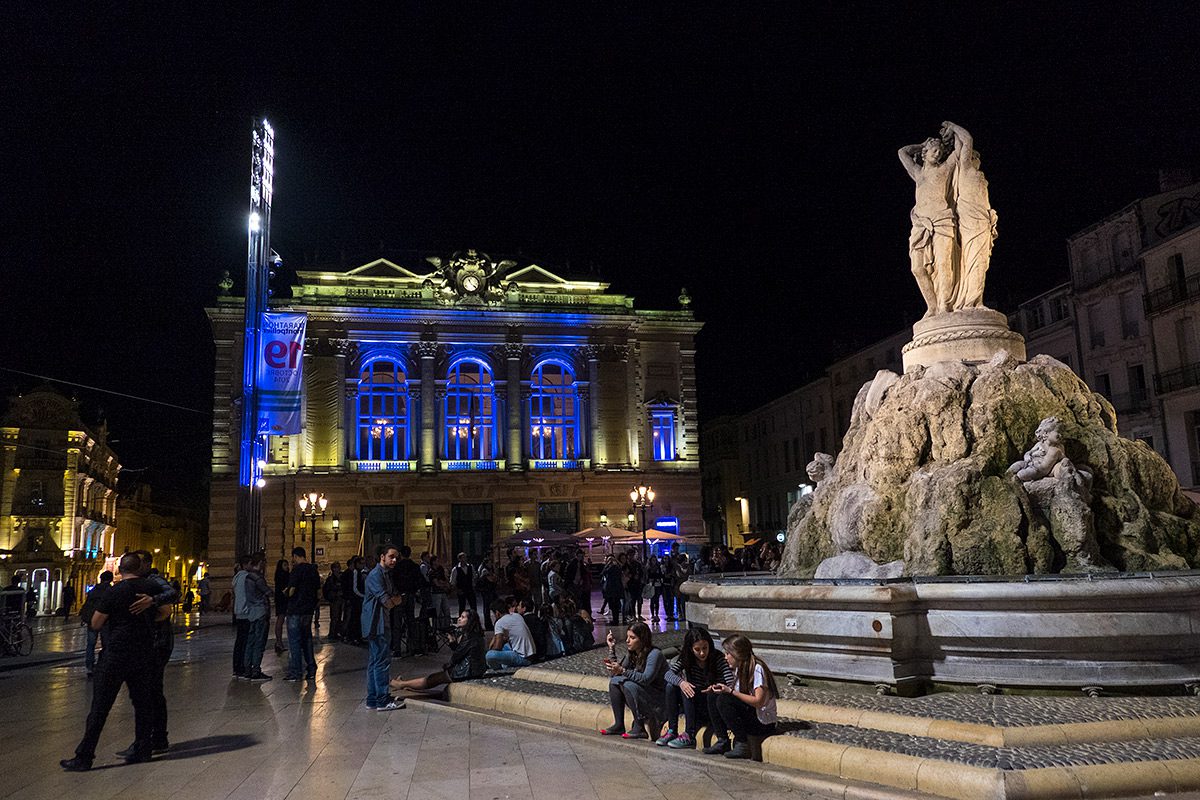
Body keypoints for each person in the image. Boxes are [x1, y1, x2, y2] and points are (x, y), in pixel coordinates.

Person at [60, 553, 169, 771]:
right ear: (140, 568)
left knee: (100, 707)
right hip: (143, 653)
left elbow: (96, 622)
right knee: (143, 704)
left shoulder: (114, 591)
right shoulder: (150, 588)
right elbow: (165, 613)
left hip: (116, 653)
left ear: (120, 569)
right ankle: (143, 749)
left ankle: (84, 756)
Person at [122, 550, 178, 757]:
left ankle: (156, 738)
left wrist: (152, 600)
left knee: (151, 690)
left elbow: (173, 594)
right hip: (150, 643)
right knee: (152, 690)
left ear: (145, 564)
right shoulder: (140, 583)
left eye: (138, 563)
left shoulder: (154, 580)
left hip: (158, 643)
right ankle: (157, 737)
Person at [899, 131, 959, 317]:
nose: (938, 154)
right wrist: (922, 144)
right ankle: (932, 306)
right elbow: (902, 152)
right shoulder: (918, 174)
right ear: (925, 153)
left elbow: (963, 147)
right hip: (921, 225)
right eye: (934, 150)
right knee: (917, 268)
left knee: (943, 263)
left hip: (942, 220)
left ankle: (943, 306)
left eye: (940, 152)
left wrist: (953, 130)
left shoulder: (944, 169)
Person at [703, 634, 780, 759]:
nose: (725, 657)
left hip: (763, 723)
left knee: (725, 699)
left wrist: (731, 691)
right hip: (752, 715)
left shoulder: (757, 669)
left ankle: (742, 743)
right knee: (714, 696)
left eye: (728, 654)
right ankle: (722, 740)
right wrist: (721, 689)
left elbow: (758, 701)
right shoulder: (740, 669)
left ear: (737, 654)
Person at [656, 628, 733, 749]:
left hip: (710, 702)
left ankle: (689, 734)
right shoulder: (687, 659)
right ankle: (672, 730)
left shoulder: (717, 658)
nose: (702, 653)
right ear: (691, 649)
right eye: (697, 650)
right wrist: (681, 682)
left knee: (688, 690)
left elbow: (730, 682)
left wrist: (717, 687)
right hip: (693, 701)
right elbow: (668, 674)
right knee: (673, 687)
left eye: (705, 648)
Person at [390, 608, 487, 694]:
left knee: (432, 679)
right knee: (434, 678)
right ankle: (405, 684)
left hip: (467, 671)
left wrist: (448, 665)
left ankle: (401, 684)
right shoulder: (473, 634)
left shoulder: (469, 636)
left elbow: (457, 655)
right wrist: (452, 642)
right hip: (472, 669)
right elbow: (461, 651)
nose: (459, 619)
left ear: (470, 621)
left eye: (463, 617)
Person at [599, 621, 666, 739]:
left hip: (658, 699)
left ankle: (639, 727)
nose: (627, 641)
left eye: (632, 637)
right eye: (627, 637)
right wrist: (611, 649)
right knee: (615, 682)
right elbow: (617, 674)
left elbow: (646, 679)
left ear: (642, 639)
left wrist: (623, 671)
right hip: (643, 692)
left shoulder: (655, 654)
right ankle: (619, 724)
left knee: (629, 685)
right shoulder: (632, 653)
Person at [361, 544, 405, 711]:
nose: (394, 560)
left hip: (379, 621)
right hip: (377, 623)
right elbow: (388, 601)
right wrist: (393, 601)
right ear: (382, 557)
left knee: (375, 661)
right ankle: (382, 700)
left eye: (396, 557)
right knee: (381, 661)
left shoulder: (386, 574)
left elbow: (395, 597)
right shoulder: (375, 575)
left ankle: (372, 699)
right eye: (391, 556)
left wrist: (394, 600)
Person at [284, 547, 320, 681]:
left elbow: (292, 590)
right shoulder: (313, 570)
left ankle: (296, 672)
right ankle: (311, 669)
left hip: (296, 609)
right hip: (308, 610)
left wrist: (286, 593)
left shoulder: (297, 570)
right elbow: (318, 591)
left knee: (294, 641)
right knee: (307, 639)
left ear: (295, 556)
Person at [241, 554, 272, 681]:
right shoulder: (258, 578)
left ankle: (247, 669)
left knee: (250, 641)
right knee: (259, 642)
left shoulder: (247, 577)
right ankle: (256, 670)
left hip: (251, 612)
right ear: (260, 563)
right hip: (260, 611)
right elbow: (268, 592)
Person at [391, 545, 426, 656]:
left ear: (401, 554)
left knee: (397, 623)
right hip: (411, 595)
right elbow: (421, 581)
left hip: (399, 596)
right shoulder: (414, 566)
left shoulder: (397, 566)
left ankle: (397, 650)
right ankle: (414, 648)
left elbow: (392, 580)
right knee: (411, 622)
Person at [485, 596, 535, 670]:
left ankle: (497, 669)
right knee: (505, 646)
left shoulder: (500, 622)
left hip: (522, 658)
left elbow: (497, 647)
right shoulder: (517, 616)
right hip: (531, 655)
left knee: (489, 655)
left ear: (497, 613)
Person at [80, 571, 114, 677]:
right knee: (107, 643)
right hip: (106, 620)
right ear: (111, 579)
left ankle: (89, 666)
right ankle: (105, 665)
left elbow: (87, 604)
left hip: (92, 619)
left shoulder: (94, 590)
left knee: (90, 644)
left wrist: (84, 617)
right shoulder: (111, 591)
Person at [232, 556, 252, 678]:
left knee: (239, 641)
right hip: (246, 612)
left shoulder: (236, 577)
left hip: (238, 612)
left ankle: (236, 668)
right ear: (246, 565)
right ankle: (244, 667)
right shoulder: (246, 577)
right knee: (246, 641)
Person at [600, 555, 625, 625]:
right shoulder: (616, 567)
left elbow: (603, 572)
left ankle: (615, 620)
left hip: (612, 588)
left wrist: (608, 563)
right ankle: (615, 619)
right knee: (614, 605)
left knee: (614, 605)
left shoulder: (612, 567)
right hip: (614, 588)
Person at [450, 552, 476, 617]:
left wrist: (473, 586)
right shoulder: (456, 569)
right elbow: (452, 581)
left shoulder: (470, 567)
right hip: (461, 590)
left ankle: (474, 620)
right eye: (463, 557)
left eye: (466, 557)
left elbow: (474, 577)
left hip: (470, 589)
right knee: (462, 606)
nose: (465, 559)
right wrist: (457, 590)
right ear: (460, 559)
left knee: (473, 606)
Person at [273, 558, 290, 654]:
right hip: (283, 600)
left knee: (281, 620)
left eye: (287, 565)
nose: (287, 567)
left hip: (282, 600)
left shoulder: (282, 575)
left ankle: (279, 642)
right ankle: (279, 642)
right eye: (285, 565)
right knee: (281, 619)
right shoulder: (282, 576)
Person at [323, 562, 343, 641]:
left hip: (340, 599)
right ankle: (332, 633)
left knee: (338, 617)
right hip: (334, 600)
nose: (339, 568)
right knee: (334, 617)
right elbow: (328, 588)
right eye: (337, 567)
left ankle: (336, 632)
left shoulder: (341, 577)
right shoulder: (331, 579)